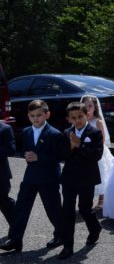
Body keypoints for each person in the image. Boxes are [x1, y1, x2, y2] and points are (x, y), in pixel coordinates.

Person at [1, 100, 66, 253]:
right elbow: (27, 151)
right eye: (32, 116)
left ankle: (61, 235)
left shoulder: (55, 133)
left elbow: (60, 156)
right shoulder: (26, 132)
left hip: (49, 177)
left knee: (53, 208)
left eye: (39, 115)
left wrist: (39, 157)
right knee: (21, 208)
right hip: (30, 176)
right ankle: (15, 240)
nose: (36, 119)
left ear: (47, 114)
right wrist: (28, 156)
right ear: (28, 116)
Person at [57, 102, 104, 259]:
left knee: (84, 208)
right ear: (68, 119)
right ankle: (67, 246)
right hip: (69, 178)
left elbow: (97, 155)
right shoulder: (66, 133)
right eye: (73, 118)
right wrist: (70, 147)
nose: (77, 120)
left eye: (80, 117)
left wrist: (80, 144)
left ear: (87, 115)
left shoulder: (95, 133)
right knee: (67, 211)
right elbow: (62, 155)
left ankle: (95, 228)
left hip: (87, 178)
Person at [80, 95, 114, 210]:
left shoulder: (97, 121)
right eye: (85, 106)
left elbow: (102, 139)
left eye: (90, 106)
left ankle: (101, 200)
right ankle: (86, 200)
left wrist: (93, 148)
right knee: (86, 176)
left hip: (97, 151)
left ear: (95, 107)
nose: (87, 108)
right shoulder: (80, 121)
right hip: (83, 152)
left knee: (102, 175)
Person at [0, 120, 14, 231]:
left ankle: (15, 227)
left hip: (1, 174)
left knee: (3, 201)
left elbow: (11, 149)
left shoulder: (5, 128)